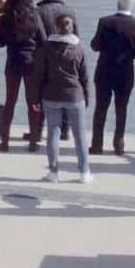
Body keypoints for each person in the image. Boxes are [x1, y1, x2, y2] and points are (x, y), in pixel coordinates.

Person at [90, 0, 135, 155]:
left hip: (104, 71)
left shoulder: (105, 22)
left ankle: (97, 144)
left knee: (100, 108)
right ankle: (119, 143)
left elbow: (95, 45)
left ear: (118, 4)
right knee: (121, 109)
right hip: (125, 73)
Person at [38, 14, 93, 183]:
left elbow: (40, 74)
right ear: (71, 28)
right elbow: (84, 76)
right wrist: (87, 96)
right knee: (79, 135)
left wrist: (36, 97)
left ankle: (53, 171)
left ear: (56, 27)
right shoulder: (79, 48)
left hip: (51, 95)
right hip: (75, 95)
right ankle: (84, 172)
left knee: (53, 133)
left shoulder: (46, 47)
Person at [0, 0, 48, 152]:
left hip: (13, 61)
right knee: (32, 102)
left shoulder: (6, 17)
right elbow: (43, 39)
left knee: (10, 102)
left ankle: (4, 142)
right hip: (31, 62)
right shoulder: (35, 15)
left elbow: (0, 42)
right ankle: (33, 141)